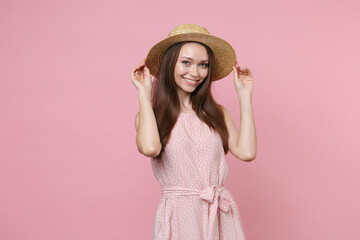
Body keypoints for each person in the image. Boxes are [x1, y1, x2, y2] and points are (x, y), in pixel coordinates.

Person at [131, 24, 257, 240]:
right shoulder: (151, 117)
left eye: (203, 65)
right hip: (179, 216)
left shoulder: (217, 114)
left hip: (218, 212)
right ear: (170, 64)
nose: (195, 72)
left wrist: (244, 96)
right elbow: (150, 148)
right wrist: (144, 92)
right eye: (186, 62)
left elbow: (247, 152)